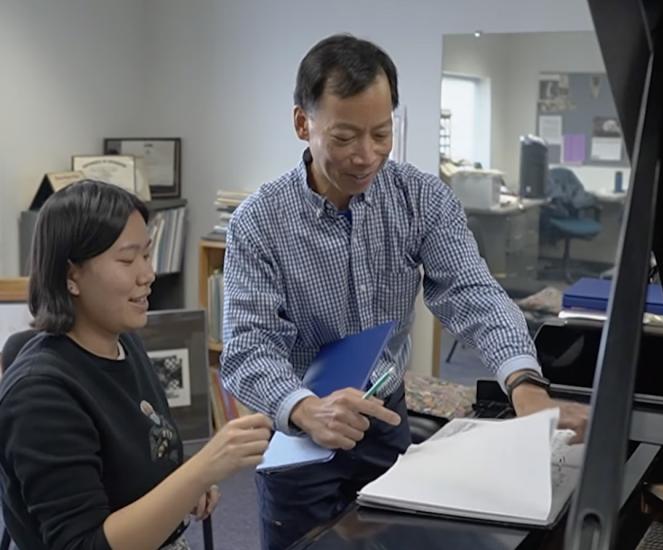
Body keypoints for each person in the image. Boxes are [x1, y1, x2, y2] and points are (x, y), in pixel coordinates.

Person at [221, 33, 589, 549]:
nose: (366, 156)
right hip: (304, 433)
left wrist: (525, 383)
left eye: (381, 133)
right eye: (345, 137)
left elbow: (471, 291)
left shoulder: (420, 197)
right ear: (303, 123)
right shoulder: (258, 223)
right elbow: (248, 348)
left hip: (386, 416)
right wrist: (305, 410)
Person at [0, 180, 272, 550]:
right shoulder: (40, 395)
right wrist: (199, 470)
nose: (148, 275)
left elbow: (145, 458)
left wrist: (185, 483)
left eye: (147, 255)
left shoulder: (124, 343)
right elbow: (83, 545)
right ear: (70, 276)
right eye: (128, 260)